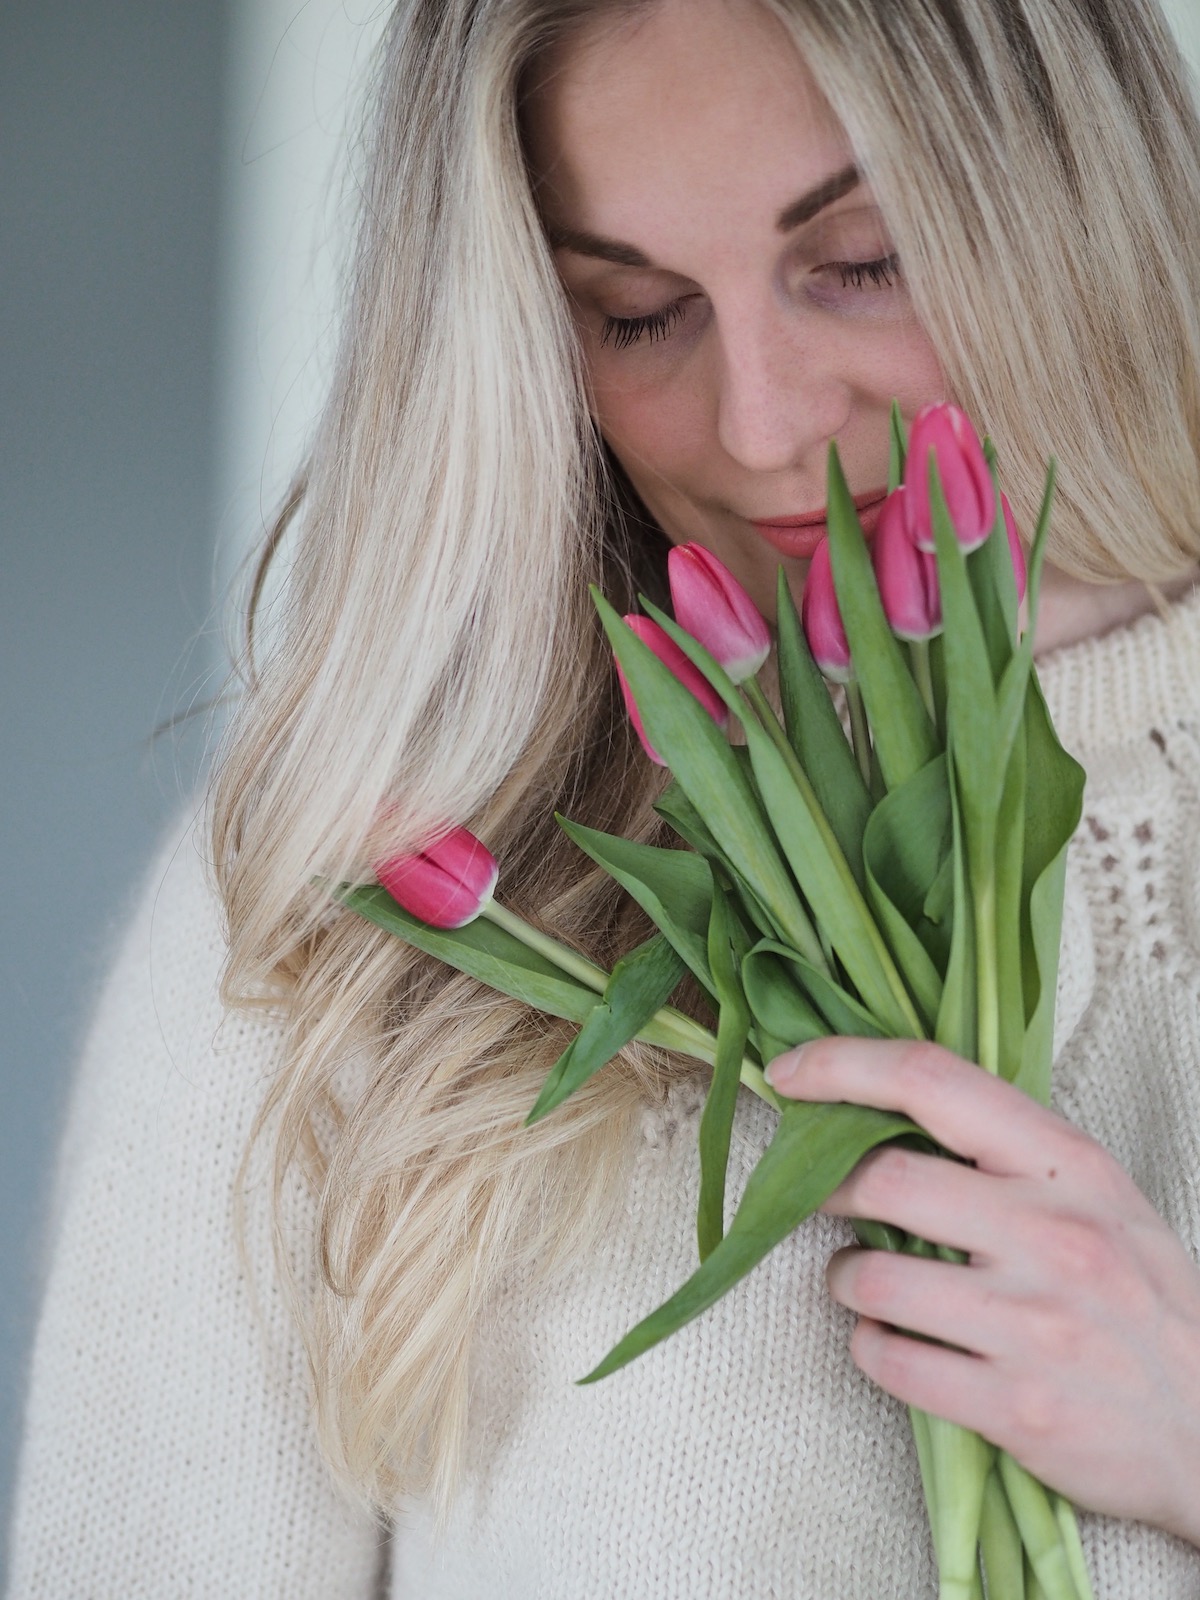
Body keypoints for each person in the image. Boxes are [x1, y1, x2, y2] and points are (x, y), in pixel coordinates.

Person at [11, 0, 1200, 1594]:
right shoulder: (368, 886)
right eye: (637, 313)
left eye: (862, 260)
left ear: (1070, 199)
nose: (763, 426)